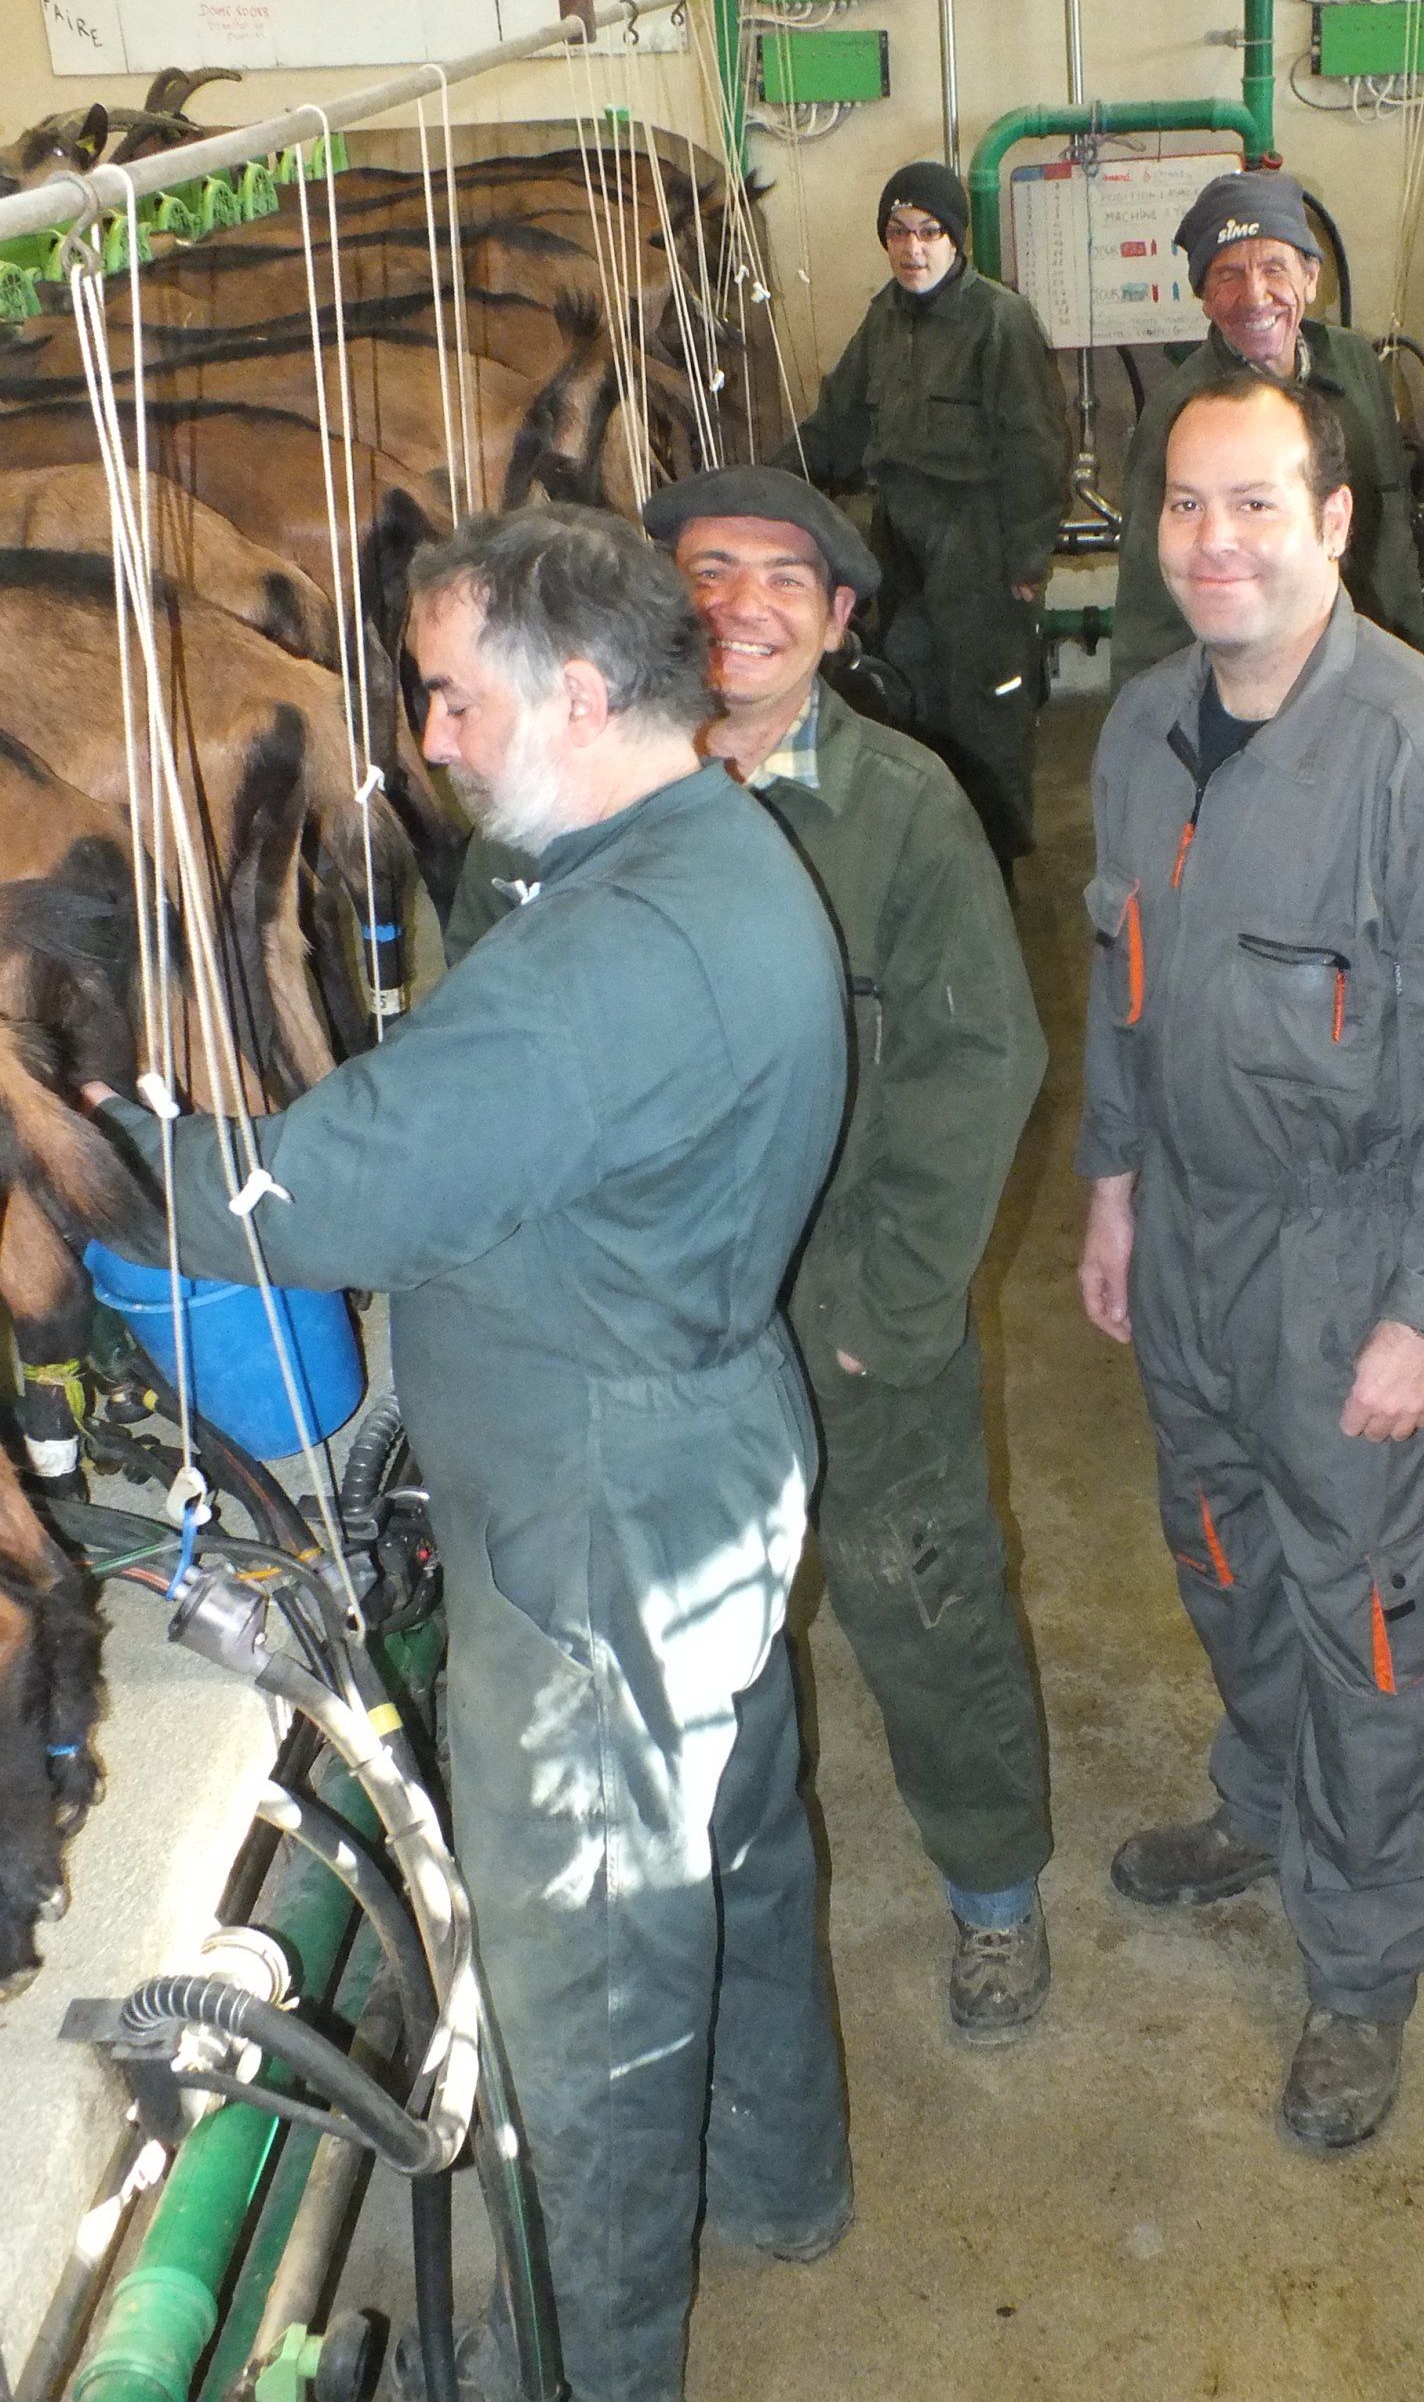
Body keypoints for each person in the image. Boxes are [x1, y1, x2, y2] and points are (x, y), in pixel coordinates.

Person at [89, 508, 852, 2402]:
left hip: (594, 1523)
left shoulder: (620, 956)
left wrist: (93, 1146)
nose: (424, 740)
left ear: (576, 697)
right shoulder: (704, 854)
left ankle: (583, 2370)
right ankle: (785, 2182)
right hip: (705, 1452)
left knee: (588, 1983)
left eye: (447, 699)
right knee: (737, 1855)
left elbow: (328, 1193)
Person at [452, 466, 1055, 2040]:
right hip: (641, 1331)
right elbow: (487, 1053)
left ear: (842, 621)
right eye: (709, 568)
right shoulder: (557, 801)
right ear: (658, 601)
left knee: (921, 1603)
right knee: (667, 1640)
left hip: (845, 1317)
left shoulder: (906, 812)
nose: (745, 603)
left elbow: (978, 1064)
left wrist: (881, 1312)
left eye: (789, 579)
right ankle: (688, 1921)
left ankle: (995, 1893)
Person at [1076, 367, 1424, 2151]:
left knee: (1380, 1621)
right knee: (1222, 1548)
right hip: (1193, 1240)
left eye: (1256, 505)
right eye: (1187, 507)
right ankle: (1268, 1805)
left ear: (1335, 524)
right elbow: (1121, 987)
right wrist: (1112, 1190)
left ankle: (1364, 1966)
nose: (1216, 542)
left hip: (1359, 1263)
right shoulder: (1140, 733)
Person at [774, 159, 1072, 873]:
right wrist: (764, 488)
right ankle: (930, 866)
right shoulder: (884, 319)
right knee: (908, 704)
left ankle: (995, 877)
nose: (913, 250)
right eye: (899, 233)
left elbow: (1037, 446)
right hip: (899, 542)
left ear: (957, 241)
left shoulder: (999, 322)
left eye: (930, 232)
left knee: (986, 713)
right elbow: (839, 425)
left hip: (979, 545)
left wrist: (1027, 559)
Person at [1109, 169, 1424, 692]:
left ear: (1311, 277)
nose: (1255, 297)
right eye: (1228, 275)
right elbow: (1150, 597)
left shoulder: (1354, 366)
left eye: (1274, 269)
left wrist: (1412, 663)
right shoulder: (1180, 414)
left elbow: (1390, 533)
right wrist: (1150, 724)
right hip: (1253, 684)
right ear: (1204, 296)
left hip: (1364, 668)